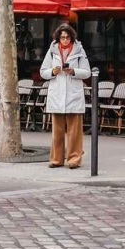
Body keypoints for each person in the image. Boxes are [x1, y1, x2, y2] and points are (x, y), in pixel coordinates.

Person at [40, 22, 91, 169]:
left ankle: (74, 159)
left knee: (74, 132)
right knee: (57, 132)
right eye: (62, 37)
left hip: (73, 94)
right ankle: (56, 159)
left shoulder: (79, 51)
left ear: (72, 38)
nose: (65, 40)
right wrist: (52, 72)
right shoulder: (52, 51)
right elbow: (43, 71)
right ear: (58, 38)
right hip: (57, 94)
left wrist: (74, 71)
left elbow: (87, 72)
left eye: (67, 37)